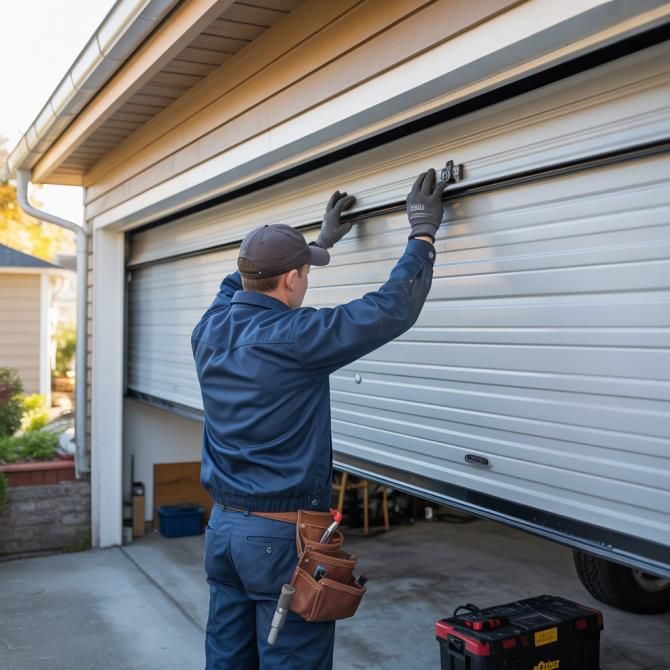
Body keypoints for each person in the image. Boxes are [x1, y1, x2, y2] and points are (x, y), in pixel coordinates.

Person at [191, 168, 447, 670]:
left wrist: (318, 245)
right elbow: (389, 309)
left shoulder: (208, 328)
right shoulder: (297, 338)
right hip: (278, 542)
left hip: (222, 531)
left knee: (227, 660)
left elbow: (239, 282)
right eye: (304, 272)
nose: (307, 279)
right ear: (291, 280)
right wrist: (422, 235)